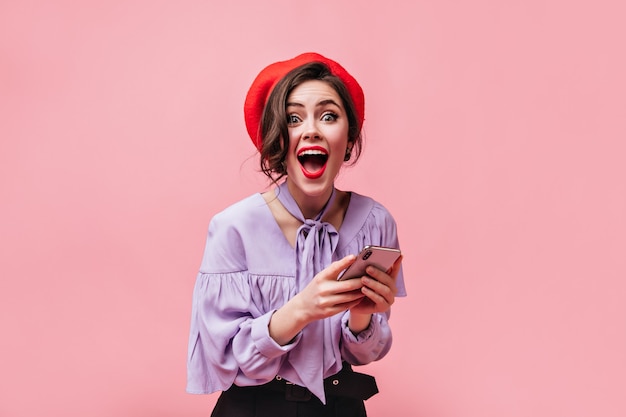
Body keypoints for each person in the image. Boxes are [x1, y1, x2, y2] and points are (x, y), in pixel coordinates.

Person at [186, 52, 407, 417]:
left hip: (340, 407)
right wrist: (302, 309)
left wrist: (362, 317)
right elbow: (224, 358)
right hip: (252, 409)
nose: (311, 129)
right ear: (276, 139)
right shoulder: (232, 227)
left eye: (329, 115)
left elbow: (364, 353)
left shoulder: (374, 221)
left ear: (348, 137)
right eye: (293, 118)